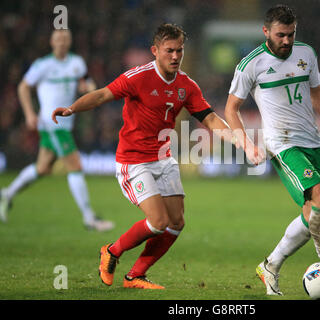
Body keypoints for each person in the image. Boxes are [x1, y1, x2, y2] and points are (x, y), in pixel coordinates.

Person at [52, 23, 237, 289]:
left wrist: (235, 137)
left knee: (176, 223)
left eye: (180, 51)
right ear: (155, 51)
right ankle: (112, 251)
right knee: (159, 221)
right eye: (169, 51)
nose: (175, 56)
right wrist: (72, 109)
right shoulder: (137, 77)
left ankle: (135, 275)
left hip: (164, 159)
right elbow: (103, 94)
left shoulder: (186, 85)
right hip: (134, 161)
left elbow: (208, 118)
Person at [224, 4, 320, 296]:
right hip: (281, 144)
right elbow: (231, 108)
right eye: (281, 35)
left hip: (312, 141)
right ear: (266, 32)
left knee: (315, 211)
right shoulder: (252, 64)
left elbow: (316, 93)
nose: (287, 41)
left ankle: (270, 265)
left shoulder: (306, 53)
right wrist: (246, 143)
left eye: (291, 34)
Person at [0, 29, 114, 232]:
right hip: (51, 122)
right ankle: (89, 218)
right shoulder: (43, 65)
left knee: (43, 167)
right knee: (75, 165)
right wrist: (29, 114)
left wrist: (88, 88)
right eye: (58, 39)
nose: (62, 42)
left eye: (65, 39)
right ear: (52, 42)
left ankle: (7, 193)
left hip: (66, 122)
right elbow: (23, 87)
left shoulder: (77, 63)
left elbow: (87, 82)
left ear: (69, 42)